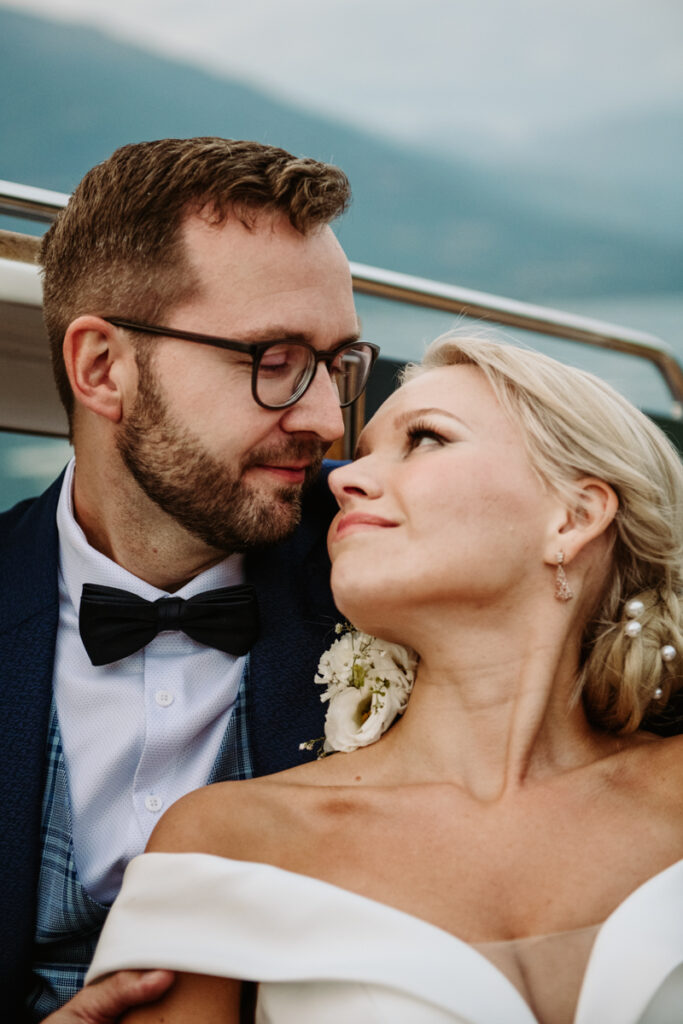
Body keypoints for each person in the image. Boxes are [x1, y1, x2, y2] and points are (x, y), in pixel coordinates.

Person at [85, 334, 683, 1023]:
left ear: (574, 518)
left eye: (425, 439)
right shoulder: (230, 839)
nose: (340, 478)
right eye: (363, 455)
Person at [0, 136, 380, 1021]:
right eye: (273, 361)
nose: (327, 420)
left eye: (338, 364)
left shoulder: (383, 554)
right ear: (104, 369)